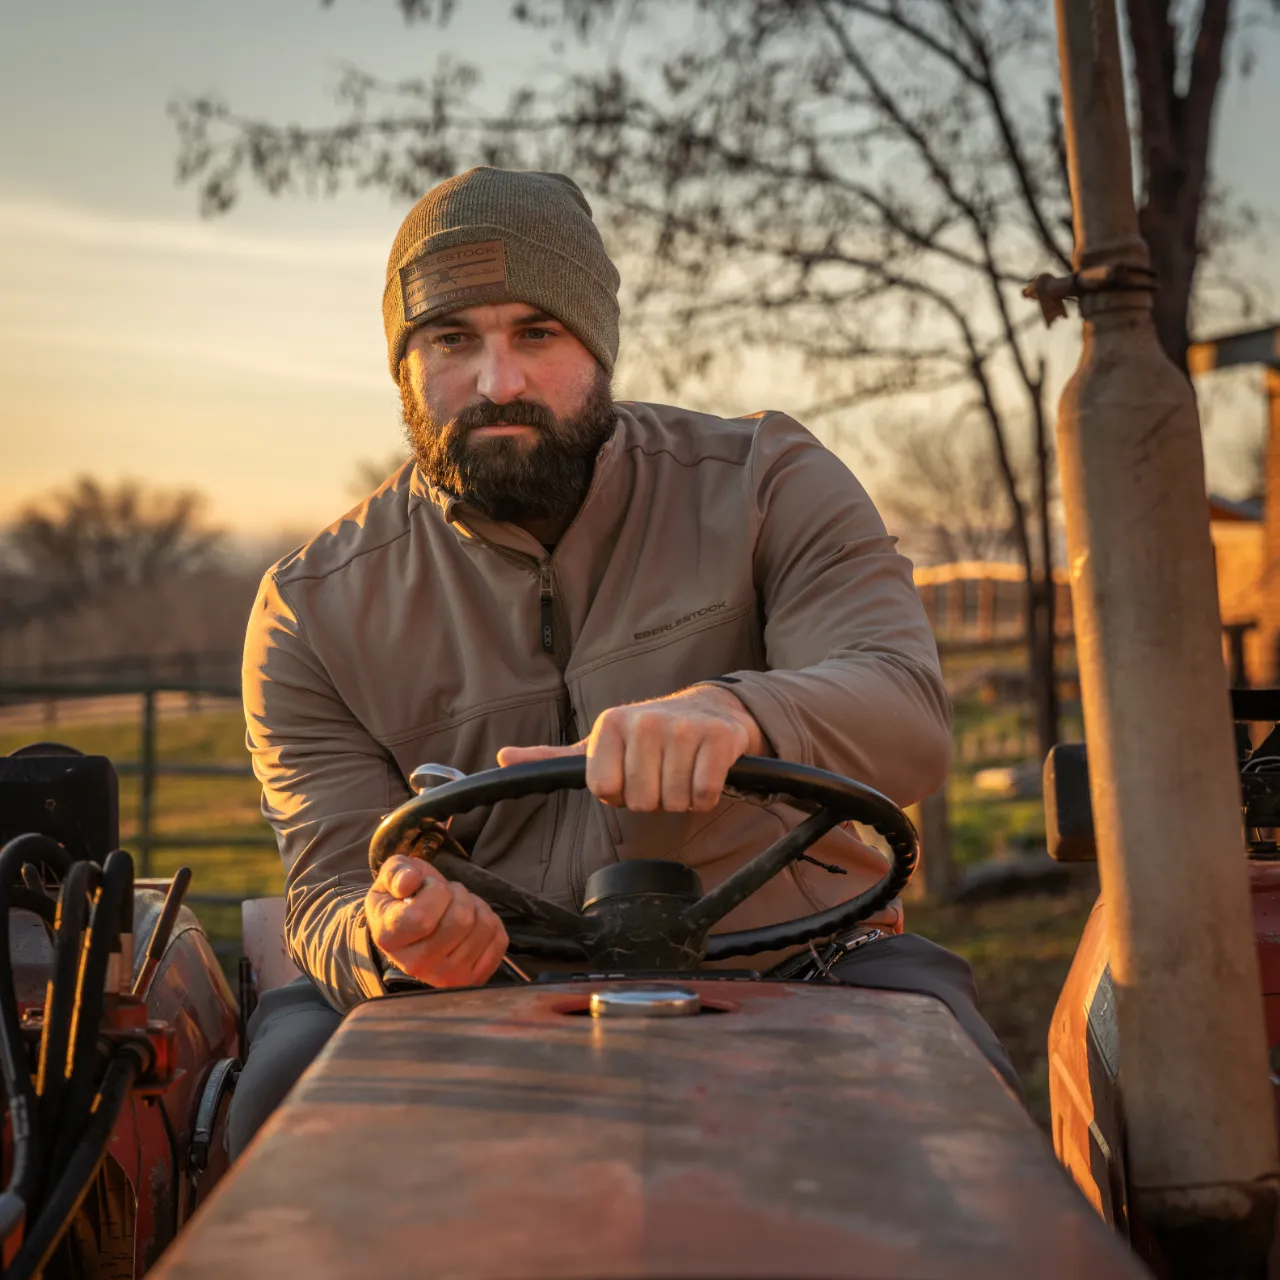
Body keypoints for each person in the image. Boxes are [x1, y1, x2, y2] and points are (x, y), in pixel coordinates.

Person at [229, 166, 1016, 1158]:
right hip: (471, 991)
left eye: (537, 333)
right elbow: (330, 885)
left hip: (793, 960)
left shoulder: (766, 482)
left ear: (598, 344)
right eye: (451, 338)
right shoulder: (310, 607)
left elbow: (902, 710)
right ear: (403, 364)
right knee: (270, 1117)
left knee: (964, 1109)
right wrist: (389, 934)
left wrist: (736, 712)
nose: (497, 381)